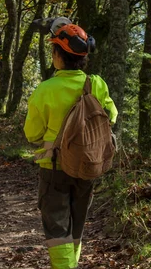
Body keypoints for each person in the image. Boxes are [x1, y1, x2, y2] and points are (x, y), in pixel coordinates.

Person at [24, 23, 118, 269]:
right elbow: (112, 116)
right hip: (88, 164)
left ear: (58, 55)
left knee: (57, 229)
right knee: (77, 225)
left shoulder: (46, 89)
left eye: (54, 50)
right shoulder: (96, 83)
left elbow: (31, 133)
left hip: (54, 167)